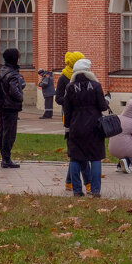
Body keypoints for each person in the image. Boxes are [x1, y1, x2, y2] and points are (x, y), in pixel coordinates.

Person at [62, 58, 109, 197]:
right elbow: (102, 106)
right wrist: (107, 100)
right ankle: (95, 190)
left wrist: (67, 128)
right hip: (95, 126)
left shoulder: (70, 87)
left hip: (76, 126)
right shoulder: (95, 85)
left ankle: (77, 190)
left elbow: (67, 110)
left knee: (76, 158)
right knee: (95, 158)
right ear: (88, 71)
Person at [56, 52, 89, 191]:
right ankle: (87, 182)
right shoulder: (64, 77)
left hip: (84, 116)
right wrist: (71, 101)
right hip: (70, 117)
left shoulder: (85, 77)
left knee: (78, 150)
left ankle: (70, 181)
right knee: (79, 151)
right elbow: (58, 98)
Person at [0, 47, 26, 168]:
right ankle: (6, 159)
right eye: (18, 57)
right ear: (14, 58)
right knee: (9, 134)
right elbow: (14, 91)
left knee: (3, 132)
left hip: (2, 105)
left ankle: (5, 157)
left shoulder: (3, 70)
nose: (19, 60)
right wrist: (20, 96)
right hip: (10, 107)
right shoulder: (13, 74)